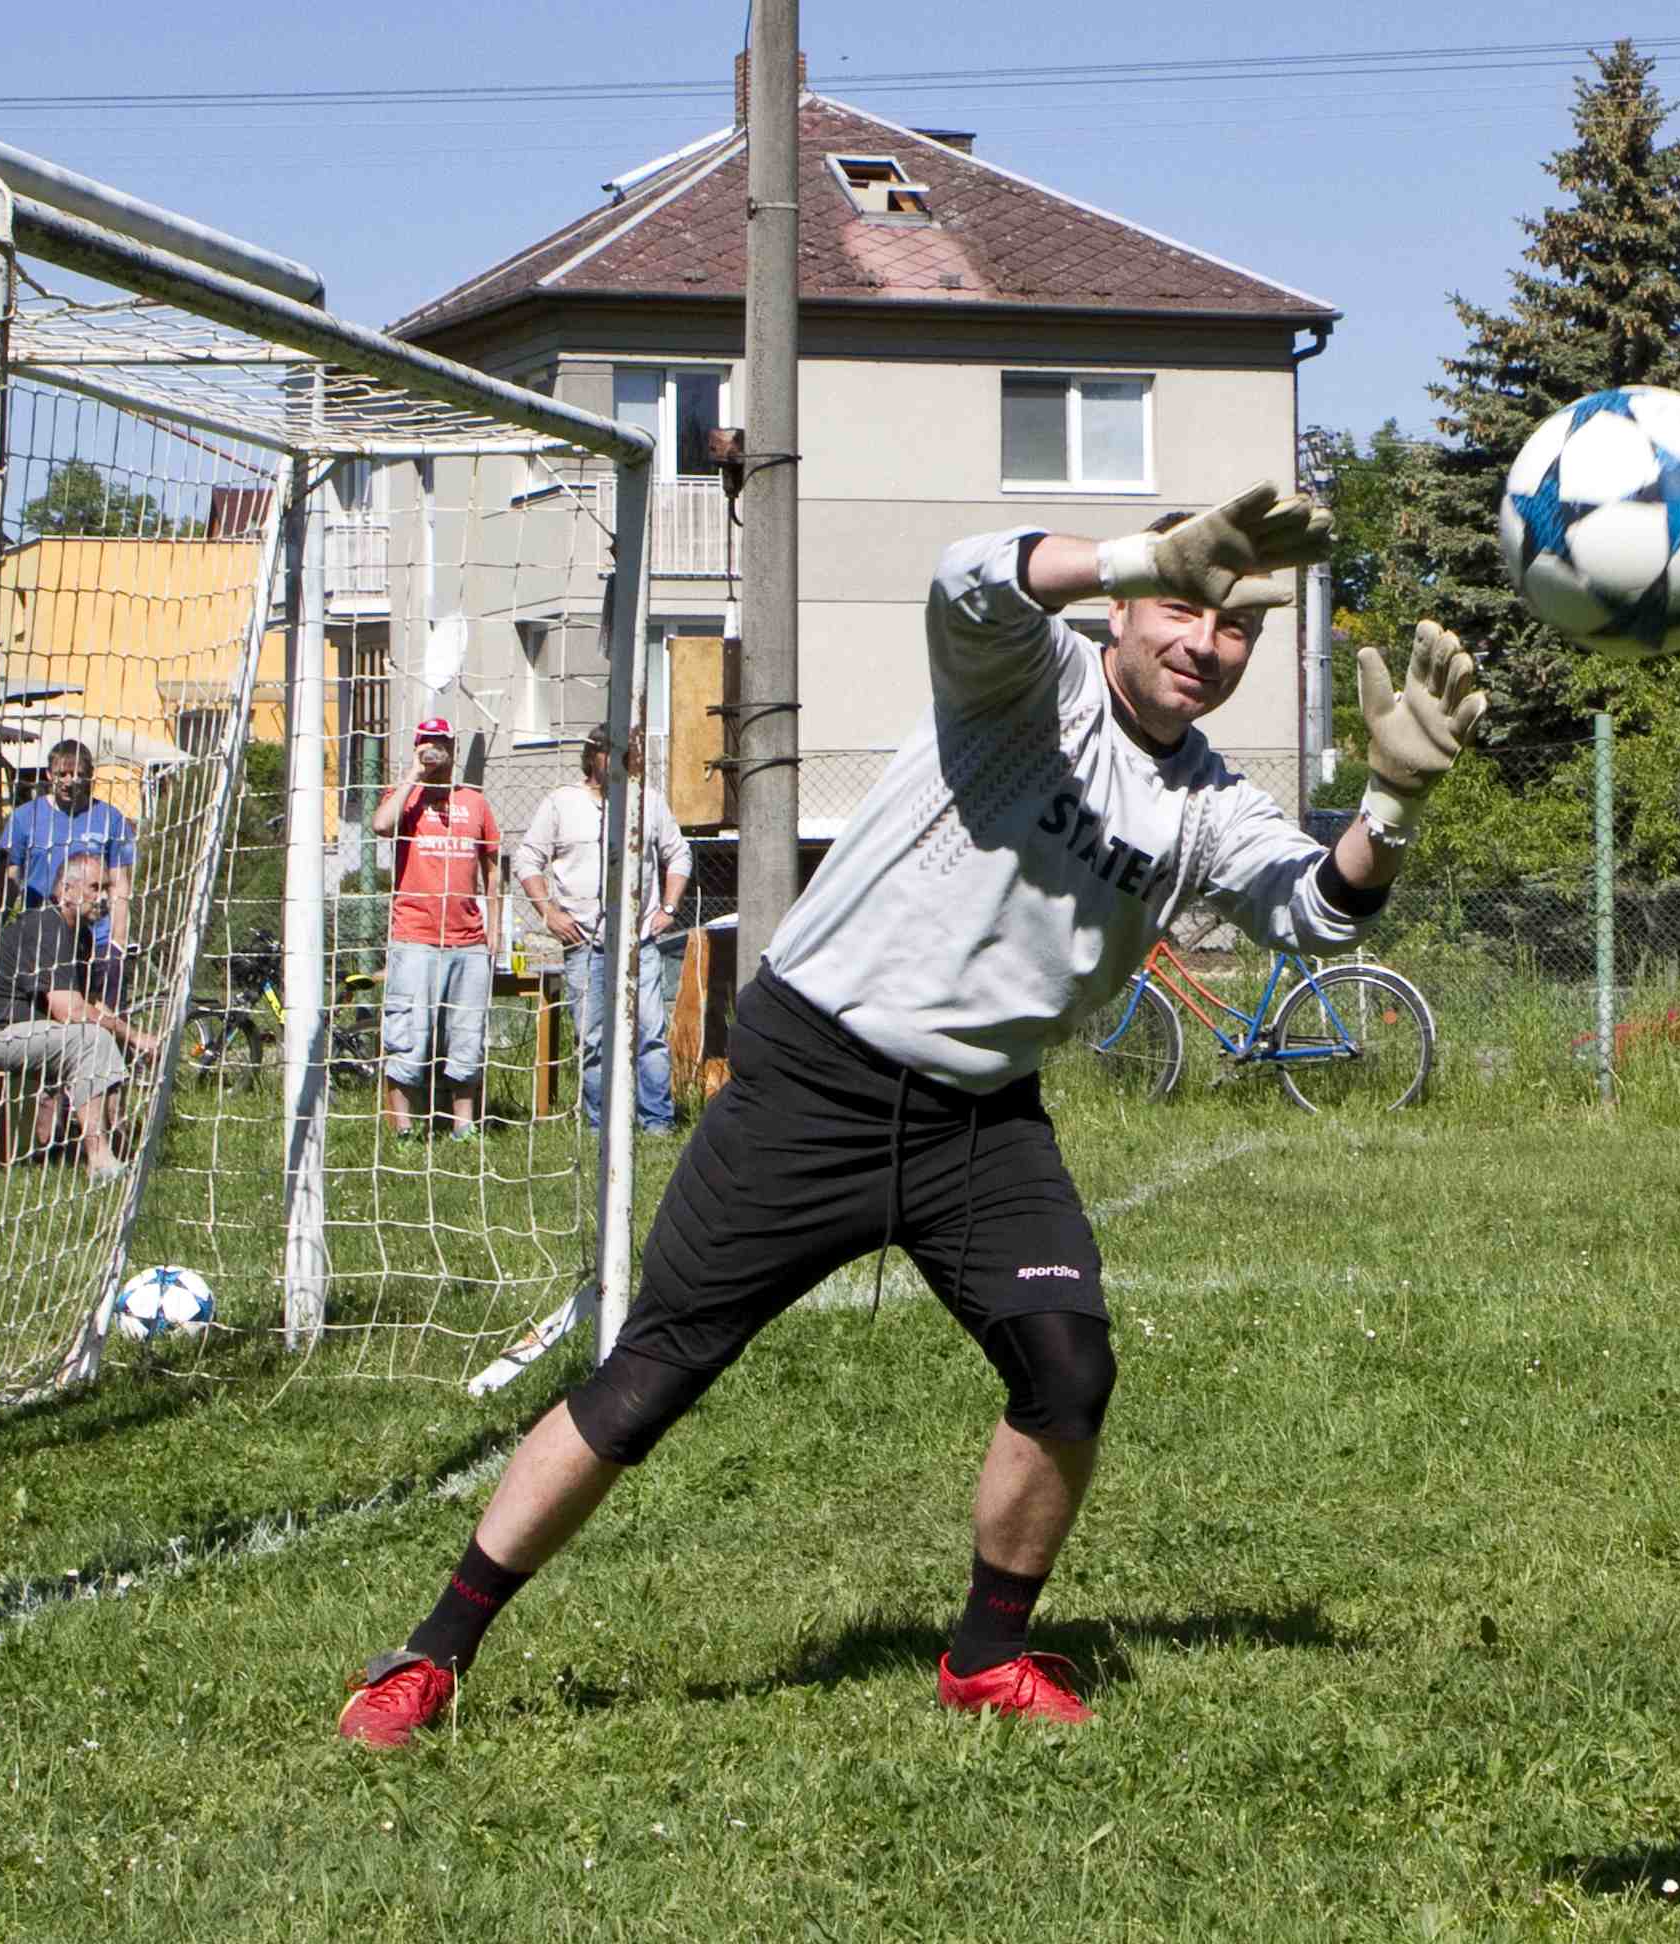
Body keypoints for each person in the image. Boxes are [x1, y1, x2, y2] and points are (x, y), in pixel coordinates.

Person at [336, 484, 1488, 1746]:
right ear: (1122, 603)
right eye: (1177, 607)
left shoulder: (1208, 801)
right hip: (812, 1079)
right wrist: (1126, 548)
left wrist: (1388, 804)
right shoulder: (1026, 679)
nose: (1202, 648)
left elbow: (1314, 907)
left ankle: (985, 1652)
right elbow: (967, 577)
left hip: (981, 1120)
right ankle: (433, 1653)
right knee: (648, 1382)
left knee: (1068, 1369)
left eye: (1231, 632)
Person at [514, 725, 693, 1135]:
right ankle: (600, 1124)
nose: (629, 759)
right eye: (616, 751)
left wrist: (668, 907)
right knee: (593, 1038)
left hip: (639, 941)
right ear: (593, 755)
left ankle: (657, 1123)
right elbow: (527, 860)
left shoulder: (648, 803)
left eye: (633, 751)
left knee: (649, 1033)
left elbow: (678, 853)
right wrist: (548, 911)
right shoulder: (562, 803)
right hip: (583, 942)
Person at [0, 852, 159, 1176]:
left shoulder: (82, 936)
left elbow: (90, 1003)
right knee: (92, 1040)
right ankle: (99, 1158)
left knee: (108, 1038)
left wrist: (132, 1038)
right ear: (66, 890)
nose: (105, 897)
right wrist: (132, 1034)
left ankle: (118, 1145)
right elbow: (71, 1012)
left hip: (36, 1032)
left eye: (107, 887)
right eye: (96, 887)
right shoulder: (46, 925)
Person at [370, 715, 502, 1141]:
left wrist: (494, 929)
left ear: (453, 747)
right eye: (426, 742)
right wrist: (414, 773)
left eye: (440, 743)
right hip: (415, 938)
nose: (433, 750)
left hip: (467, 941)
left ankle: (464, 1127)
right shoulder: (405, 797)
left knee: (466, 1035)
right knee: (408, 1035)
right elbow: (381, 825)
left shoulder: (475, 802)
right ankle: (404, 1130)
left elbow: (493, 865)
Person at [0, 741, 136, 947]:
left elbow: (120, 885)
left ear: (90, 775)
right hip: (40, 937)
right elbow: (10, 881)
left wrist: (118, 943)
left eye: (77, 774)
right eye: (61, 774)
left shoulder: (110, 818)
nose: (69, 781)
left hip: (95, 940)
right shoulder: (24, 817)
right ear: (48, 774)